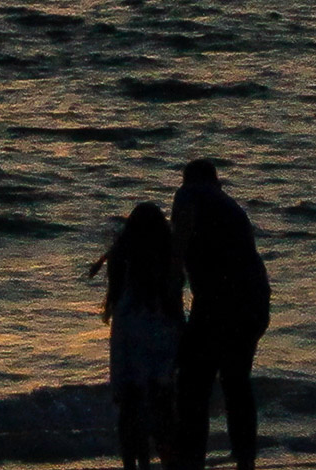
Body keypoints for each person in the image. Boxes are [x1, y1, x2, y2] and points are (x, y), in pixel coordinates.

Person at [171, 158, 273, 470]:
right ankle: (246, 461)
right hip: (254, 300)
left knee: (193, 384)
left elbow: (178, 249)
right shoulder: (228, 204)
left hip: (221, 300)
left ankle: (192, 462)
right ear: (217, 181)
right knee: (236, 382)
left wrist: (173, 306)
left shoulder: (188, 195)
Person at [93, 201, 187, 470]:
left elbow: (114, 298)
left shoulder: (122, 255)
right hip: (161, 331)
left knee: (129, 400)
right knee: (161, 400)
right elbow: (175, 303)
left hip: (128, 331)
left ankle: (134, 463)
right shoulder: (169, 257)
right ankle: (168, 458)